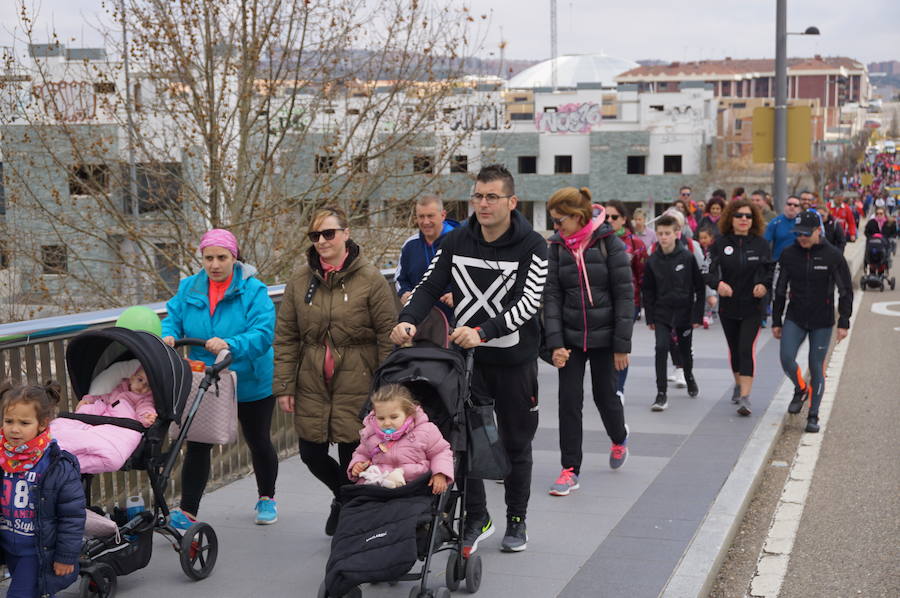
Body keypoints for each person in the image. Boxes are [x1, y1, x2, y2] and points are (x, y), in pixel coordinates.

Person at [390, 164, 547, 555]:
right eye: (477, 195)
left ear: (511, 201)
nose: (483, 203)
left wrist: (482, 331)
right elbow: (428, 286)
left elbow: (527, 303)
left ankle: (516, 517)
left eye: (492, 196)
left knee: (514, 442)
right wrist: (407, 320)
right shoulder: (456, 241)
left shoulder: (534, 246)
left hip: (513, 360)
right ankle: (477, 516)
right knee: (463, 441)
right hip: (466, 360)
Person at [274, 206, 397, 537]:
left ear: (346, 233)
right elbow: (286, 335)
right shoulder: (301, 281)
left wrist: (385, 390)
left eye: (329, 233)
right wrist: (285, 385)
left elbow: (389, 336)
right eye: (315, 236)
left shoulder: (370, 280)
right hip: (312, 381)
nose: (322, 241)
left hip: (358, 381)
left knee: (350, 457)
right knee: (310, 453)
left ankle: (352, 525)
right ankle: (343, 498)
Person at [162, 228, 278, 528]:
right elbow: (172, 317)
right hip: (207, 379)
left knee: (258, 440)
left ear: (234, 257)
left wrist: (231, 344)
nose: (214, 264)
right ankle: (188, 511)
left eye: (221, 257)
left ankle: (266, 497)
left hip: (249, 378)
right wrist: (169, 335)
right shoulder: (189, 287)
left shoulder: (254, 290)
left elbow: (263, 334)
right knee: (198, 443)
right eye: (208, 258)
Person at [543, 187, 633, 497]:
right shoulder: (555, 247)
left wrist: (622, 346)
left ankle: (619, 437)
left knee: (604, 395)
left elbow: (624, 296)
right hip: (569, 338)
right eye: (553, 221)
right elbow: (551, 296)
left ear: (578, 216)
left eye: (559, 220)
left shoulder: (610, 243)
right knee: (568, 401)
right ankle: (570, 469)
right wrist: (554, 342)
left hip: (606, 338)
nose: (556, 227)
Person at [0, 382, 85, 598]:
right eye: (9, 421)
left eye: (24, 422)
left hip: (37, 550)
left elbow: (72, 517)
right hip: (9, 545)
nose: (14, 428)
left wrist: (66, 556)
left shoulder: (57, 465)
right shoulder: (3, 458)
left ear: (42, 424)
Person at [772, 211, 852, 433]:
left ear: (818, 230)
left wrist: (844, 321)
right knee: (786, 357)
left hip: (822, 319)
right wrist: (776, 320)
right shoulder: (789, 254)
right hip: (795, 315)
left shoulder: (833, 255)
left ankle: (813, 415)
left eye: (806, 234)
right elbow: (779, 289)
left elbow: (845, 290)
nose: (802, 238)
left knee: (816, 367)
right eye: (798, 234)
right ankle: (800, 388)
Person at [704, 199, 773, 416]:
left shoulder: (761, 244)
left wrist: (763, 285)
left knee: (746, 348)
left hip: (753, 307)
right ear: (730, 219)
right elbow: (707, 271)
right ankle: (738, 383)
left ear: (754, 220)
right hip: (729, 307)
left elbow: (770, 271)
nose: (744, 219)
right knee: (734, 349)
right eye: (739, 215)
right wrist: (718, 285)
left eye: (748, 216)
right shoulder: (720, 243)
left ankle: (745, 397)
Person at [643, 215, 705, 411]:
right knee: (661, 348)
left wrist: (697, 315)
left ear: (676, 233)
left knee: (685, 350)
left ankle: (689, 376)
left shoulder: (686, 257)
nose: (663, 237)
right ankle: (661, 393)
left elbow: (699, 287)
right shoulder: (652, 260)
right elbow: (648, 290)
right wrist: (650, 317)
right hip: (662, 313)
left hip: (684, 312)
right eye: (660, 234)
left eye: (667, 233)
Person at [347, 384, 453, 494]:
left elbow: (440, 452)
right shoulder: (370, 433)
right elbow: (362, 453)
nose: (387, 423)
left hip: (413, 485)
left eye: (394, 417)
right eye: (381, 418)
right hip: (378, 485)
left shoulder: (425, 431)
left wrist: (440, 473)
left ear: (408, 414)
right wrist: (357, 464)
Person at [49, 366, 156, 474]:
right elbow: (101, 398)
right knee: (62, 427)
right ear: (132, 378)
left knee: (109, 456)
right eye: (140, 380)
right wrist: (88, 400)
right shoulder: (117, 391)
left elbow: (145, 408)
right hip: (100, 422)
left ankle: (60, 464)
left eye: (148, 385)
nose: (142, 386)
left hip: (120, 429)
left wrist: (147, 416)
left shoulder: (143, 400)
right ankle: (55, 455)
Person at [605, 200, 647, 401]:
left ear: (623, 219)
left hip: (628, 302)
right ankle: (609, 385)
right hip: (603, 303)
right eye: (605, 217)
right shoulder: (597, 240)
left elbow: (642, 275)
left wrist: (641, 303)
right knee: (606, 346)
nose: (609, 220)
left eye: (614, 217)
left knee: (620, 344)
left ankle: (619, 389)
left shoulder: (635, 243)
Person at [395, 195, 459, 317]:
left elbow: (477, 279)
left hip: (456, 320)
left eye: (430, 216)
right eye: (421, 217)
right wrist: (404, 293)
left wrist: (459, 295)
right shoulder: (410, 245)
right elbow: (400, 278)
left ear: (443, 215)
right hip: (421, 320)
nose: (425, 222)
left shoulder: (461, 241)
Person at [764, 194, 803, 262]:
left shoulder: (803, 223)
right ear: (785, 206)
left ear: (799, 209)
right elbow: (765, 243)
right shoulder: (775, 222)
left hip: (798, 261)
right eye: (789, 204)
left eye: (795, 205)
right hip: (778, 261)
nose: (792, 207)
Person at [697, 226, 719, 327]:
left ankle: (709, 314)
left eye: (705, 238)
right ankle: (706, 314)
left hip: (712, 275)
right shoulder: (699, 248)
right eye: (701, 238)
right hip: (703, 274)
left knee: (711, 294)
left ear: (711, 238)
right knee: (705, 294)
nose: (703, 240)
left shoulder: (714, 249)